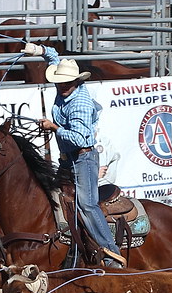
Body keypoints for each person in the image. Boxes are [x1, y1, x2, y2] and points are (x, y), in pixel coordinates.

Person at [21, 42, 124, 269]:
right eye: (59, 82)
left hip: (83, 159)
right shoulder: (67, 85)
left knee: (87, 205)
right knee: (59, 201)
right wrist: (38, 50)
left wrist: (54, 127)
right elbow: (54, 58)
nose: (62, 86)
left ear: (76, 82)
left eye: (66, 83)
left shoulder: (80, 104)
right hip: (69, 159)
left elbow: (81, 139)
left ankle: (112, 254)